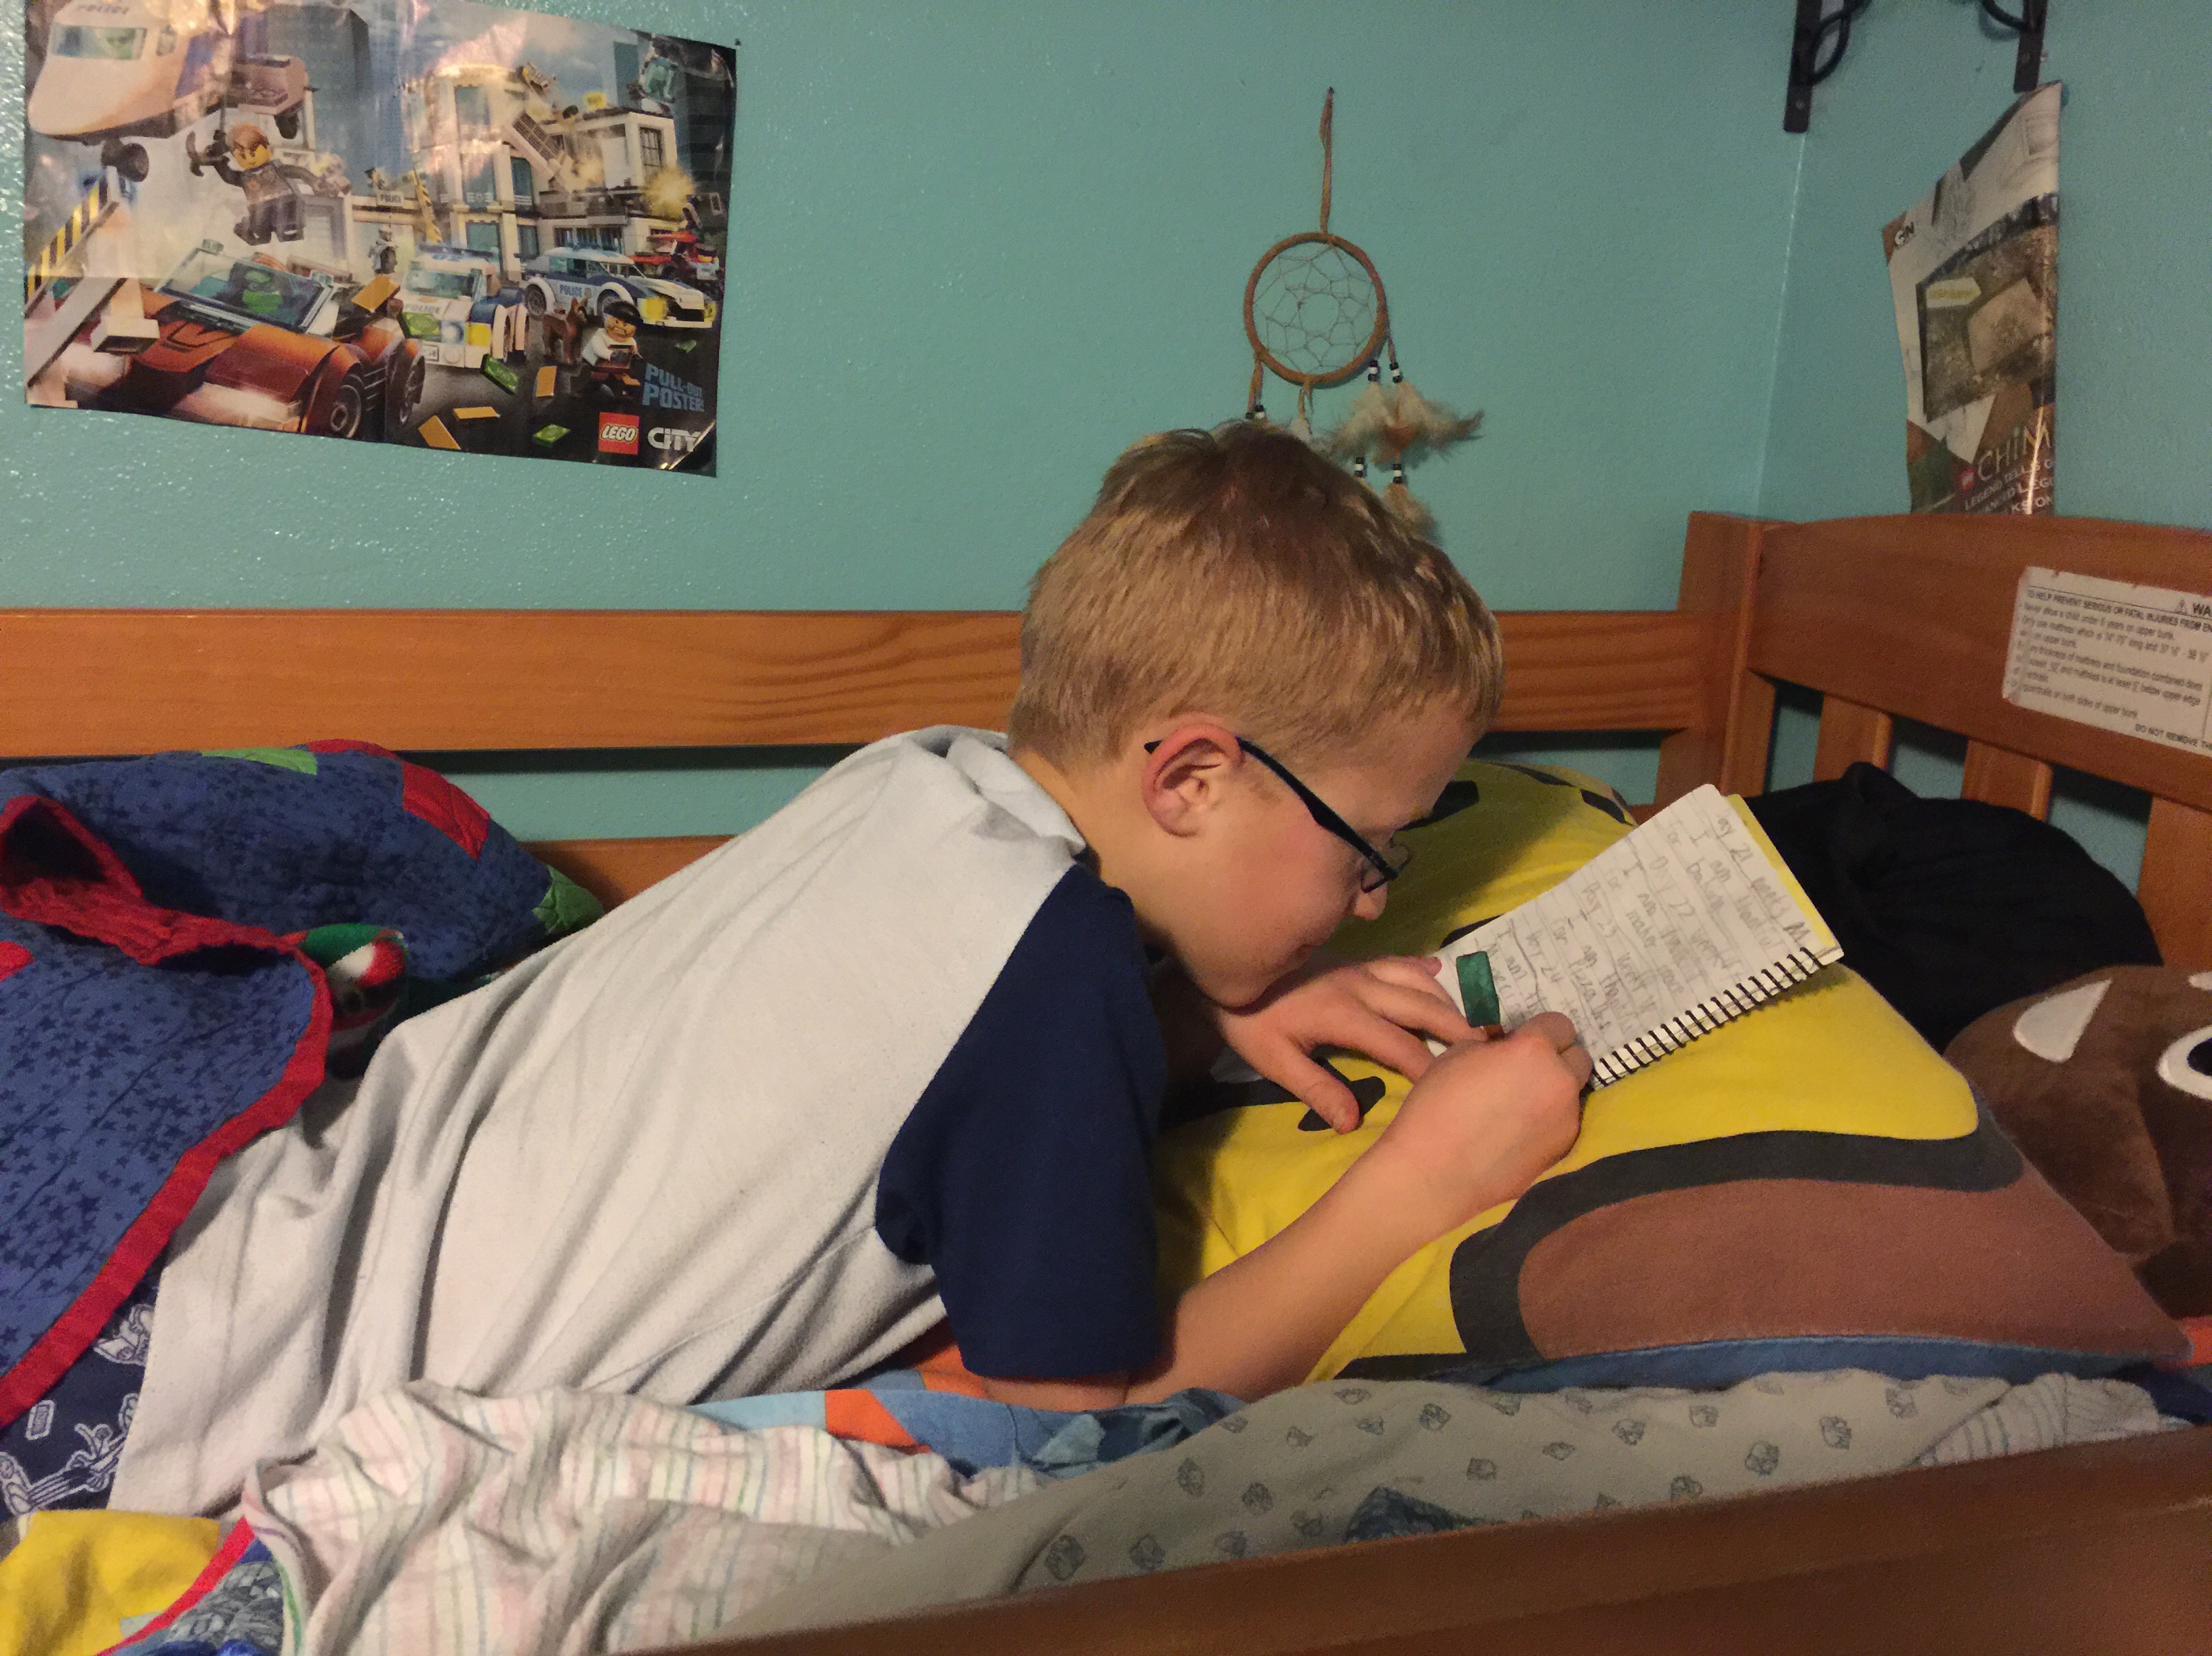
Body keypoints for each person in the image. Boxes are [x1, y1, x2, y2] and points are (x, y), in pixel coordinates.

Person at [112, 422, 1588, 1514]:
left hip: (187, 1249)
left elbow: (921, 1077)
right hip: (180, 1412)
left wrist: (1193, 1020)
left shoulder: (919, 781)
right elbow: (1083, 1417)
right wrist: (1427, 1179)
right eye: (1368, 850)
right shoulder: (1054, 970)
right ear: (1192, 778)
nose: (1373, 898)